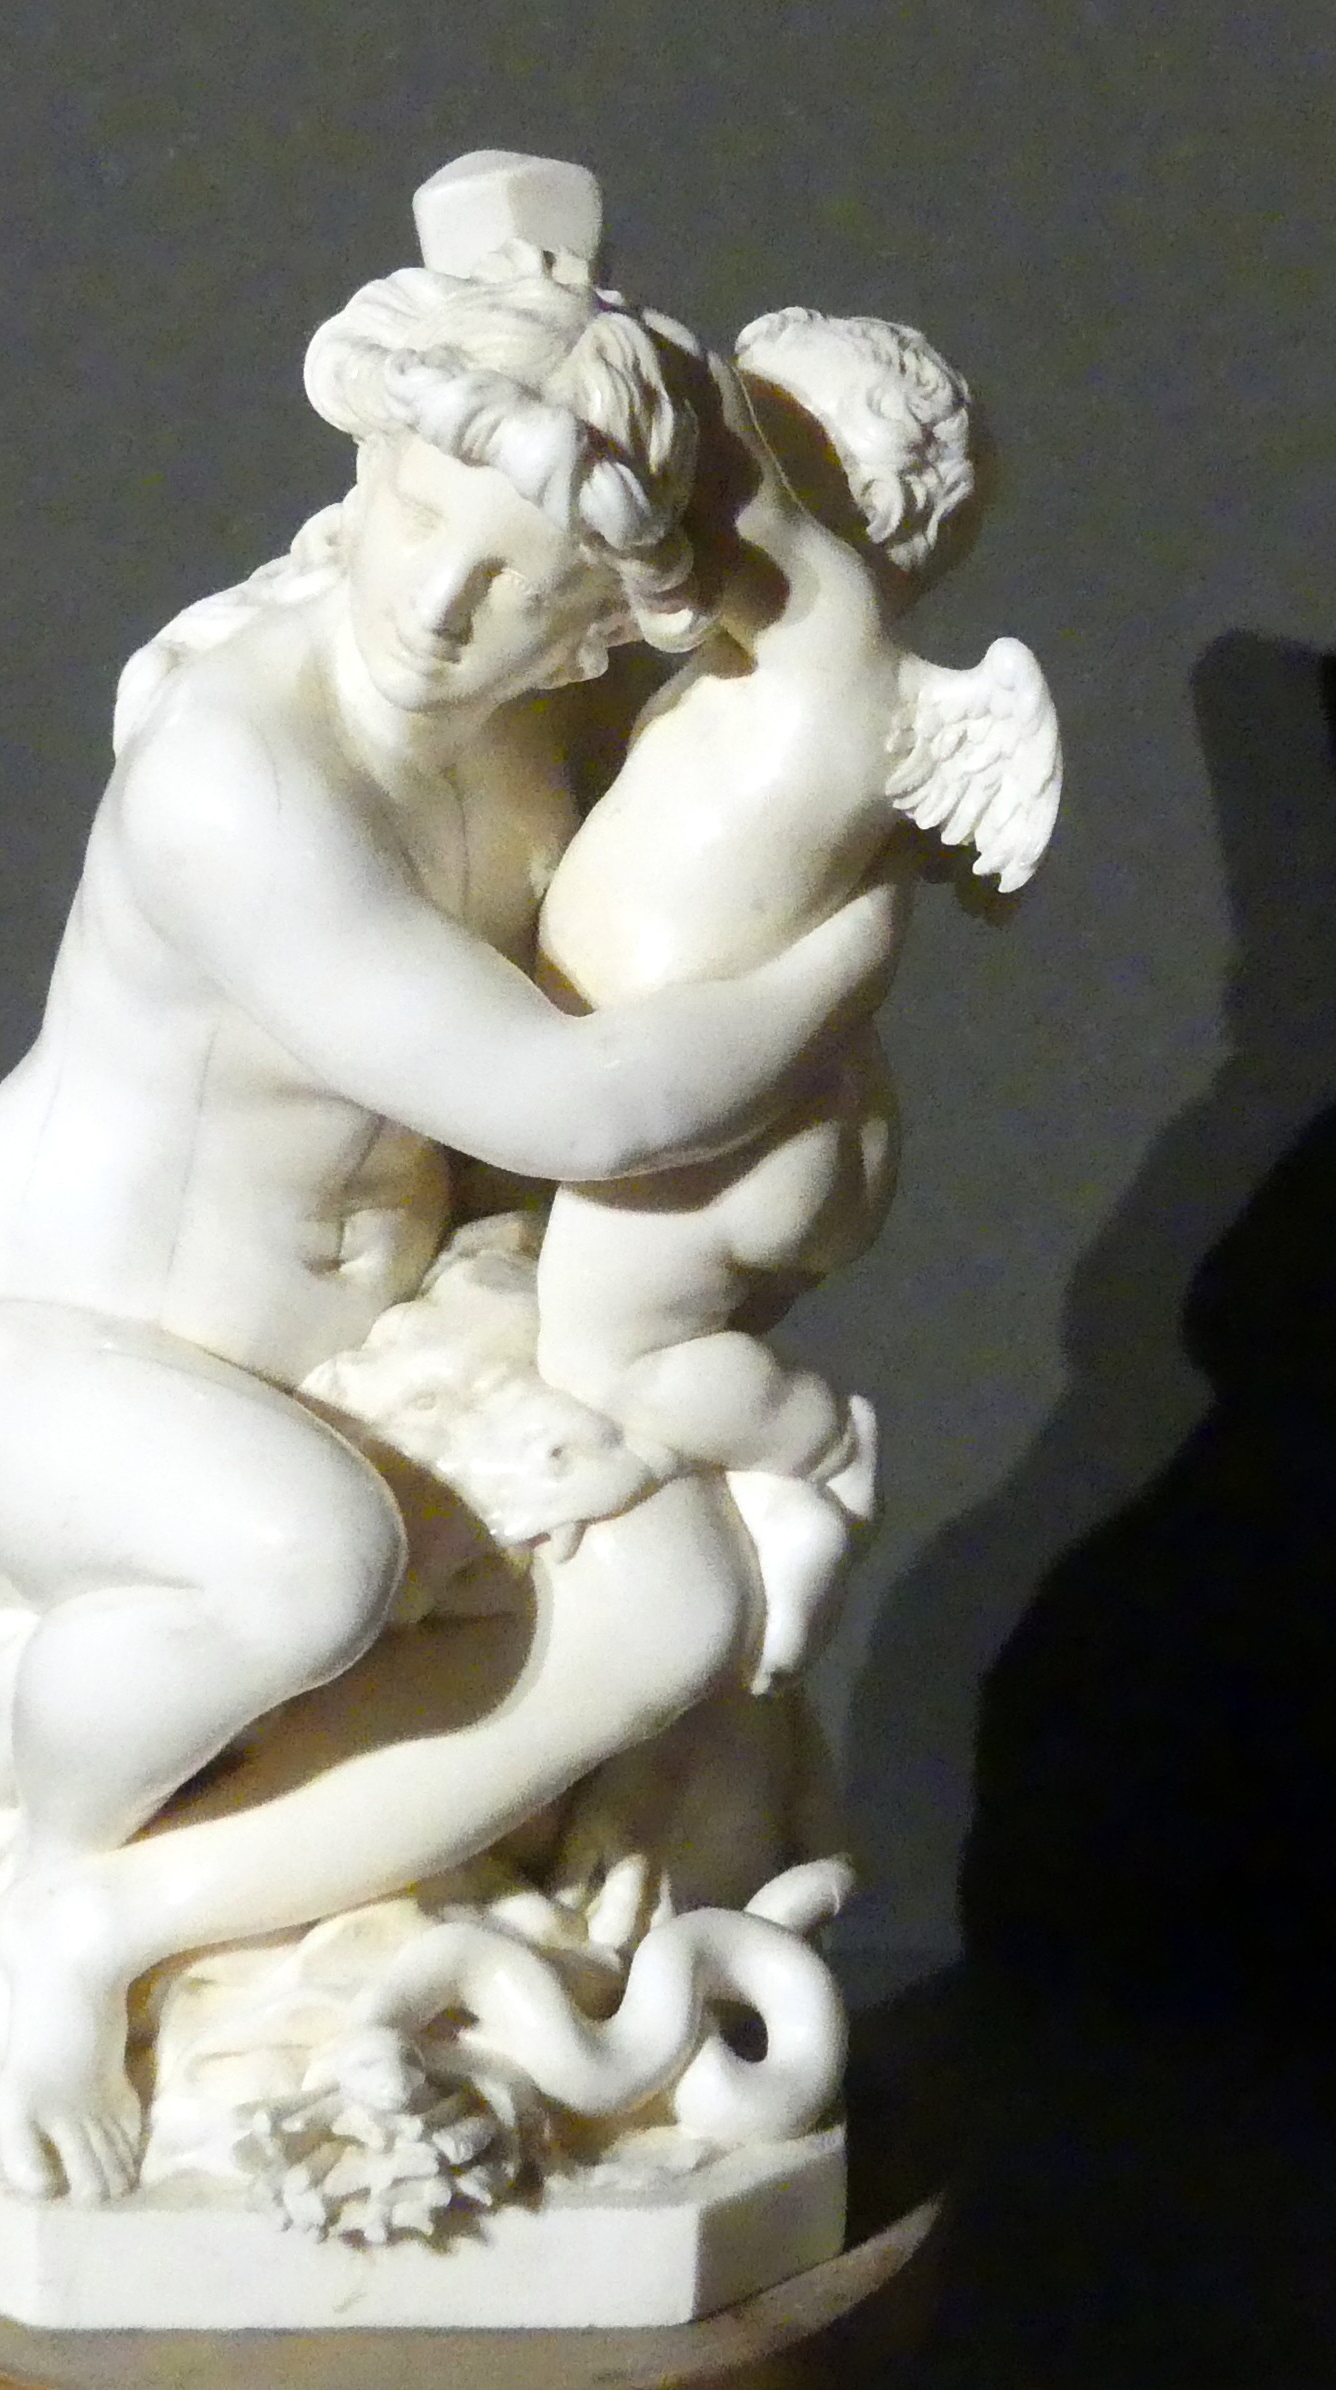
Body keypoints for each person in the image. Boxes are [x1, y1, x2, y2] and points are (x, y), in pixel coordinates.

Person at [0, 253, 898, 2202]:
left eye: (519, 577)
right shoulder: (237, 771)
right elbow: (575, 1101)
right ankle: (46, 1892)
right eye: (422, 519)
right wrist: (850, 953)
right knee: (300, 1560)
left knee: (668, 1608)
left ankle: (133, 1915)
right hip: (60, 1342)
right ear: (364, 475)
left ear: (598, 621)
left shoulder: (527, 737)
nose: (439, 602)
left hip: (371, 1337)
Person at [534, 307, 1062, 1690]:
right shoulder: (765, 667)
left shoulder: (828, 640)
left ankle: (815, 1454)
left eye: (775, 434)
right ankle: (724, 1487)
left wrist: (585, 322)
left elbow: (714, 460)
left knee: (606, 1353)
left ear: (858, 504)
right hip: (765, 1119)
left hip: (728, 1137)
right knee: (620, 1356)